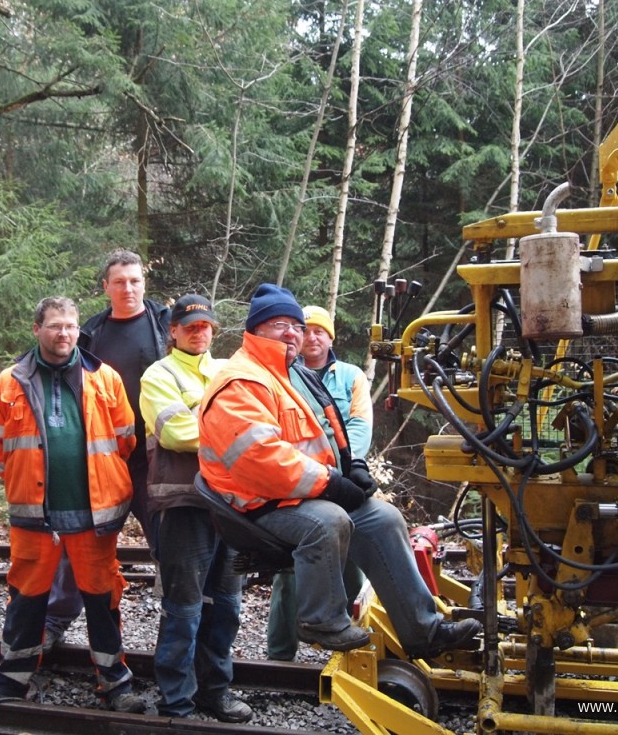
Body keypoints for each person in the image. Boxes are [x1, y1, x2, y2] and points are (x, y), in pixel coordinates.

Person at [197, 284, 482, 657]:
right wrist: (331, 484)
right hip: (254, 500)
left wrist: (353, 468)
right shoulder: (242, 380)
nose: (291, 333)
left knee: (382, 516)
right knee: (328, 521)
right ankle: (320, 619)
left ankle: (423, 631)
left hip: (296, 492)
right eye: (278, 324)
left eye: (296, 326)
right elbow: (259, 460)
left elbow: (330, 434)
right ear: (254, 331)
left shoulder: (291, 376)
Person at [0, 296, 145, 713]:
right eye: (55, 326)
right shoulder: (9, 381)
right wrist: (28, 483)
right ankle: (11, 680)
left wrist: (99, 480)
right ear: (37, 328)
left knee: (103, 599)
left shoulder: (105, 378)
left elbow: (125, 440)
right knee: (26, 597)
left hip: (95, 515)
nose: (64, 334)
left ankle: (114, 684)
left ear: (79, 330)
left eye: (71, 327)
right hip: (33, 514)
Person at [43, 249, 171, 650]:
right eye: (119, 282)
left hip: (156, 460)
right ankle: (53, 622)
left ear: (144, 284)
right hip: (102, 459)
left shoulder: (165, 326)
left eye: (134, 281)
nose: (128, 288)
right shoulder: (90, 333)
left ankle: (177, 638)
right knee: (79, 546)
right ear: (106, 287)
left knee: (171, 546)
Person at [138, 294, 253, 723]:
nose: (199, 332)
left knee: (227, 605)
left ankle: (215, 692)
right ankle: (176, 701)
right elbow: (174, 432)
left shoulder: (227, 371)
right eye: (190, 326)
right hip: (185, 503)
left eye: (205, 326)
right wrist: (234, 434)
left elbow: (257, 420)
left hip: (232, 505)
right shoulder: (158, 375)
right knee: (184, 608)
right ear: (172, 331)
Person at [266, 304, 372, 661]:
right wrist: (313, 475)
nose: (311, 337)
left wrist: (343, 470)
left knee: (351, 562)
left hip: (345, 480)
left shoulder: (351, 376)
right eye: (305, 329)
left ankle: (340, 644)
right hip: (299, 483)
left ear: (330, 338)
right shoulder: (282, 375)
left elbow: (359, 425)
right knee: (289, 572)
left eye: (319, 331)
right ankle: (280, 655)